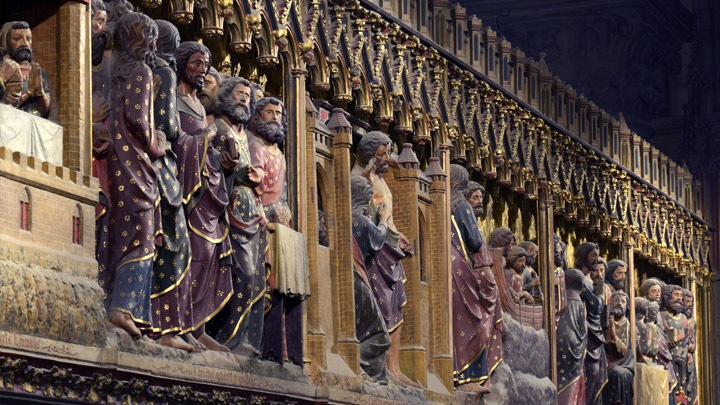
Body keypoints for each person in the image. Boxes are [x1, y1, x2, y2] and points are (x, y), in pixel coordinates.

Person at [103, 12, 161, 339]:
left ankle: (123, 306)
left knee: (123, 231)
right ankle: (122, 308)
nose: (154, 45)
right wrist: (156, 146)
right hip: (135, 160)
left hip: (117, 155)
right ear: (142, 39)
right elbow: (138, 118)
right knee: (141, 231)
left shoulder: (112, 68)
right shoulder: (142, 71)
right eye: (151, 38)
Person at [174, 41, 232, 352]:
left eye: (205, 65)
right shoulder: (172, 98)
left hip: (207, 184)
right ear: (182, 63)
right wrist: (204, 138)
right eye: (196, 63)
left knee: (208, 254)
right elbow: (174, 138)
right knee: (190, 254)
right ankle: (180, 323)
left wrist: (223, 161)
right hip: (186, 186)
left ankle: (198, 327)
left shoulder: (198, 103)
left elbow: (203, 144)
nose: (201, 70)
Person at [205, 77, 266, 356]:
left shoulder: (247, 137)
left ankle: (241, 340)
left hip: (249, 213)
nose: (244, 99)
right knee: (240, 272)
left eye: (248, 96)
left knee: (255, 277)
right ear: (226, 96)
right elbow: (210, 164)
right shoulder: (218, 128)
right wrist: (235, 171)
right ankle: (224, 337)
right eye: (239, 94)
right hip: (225, 208)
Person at [350, 131, 416, 386]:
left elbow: (386, 216)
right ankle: (382, 365)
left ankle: (395, 367)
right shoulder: (358, 179)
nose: (387, 158)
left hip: (389, 248)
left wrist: (398, 236)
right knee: (382, 304)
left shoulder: (378, 178)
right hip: (374, 252)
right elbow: (365, 216)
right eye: (382, 154)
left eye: (387, 152)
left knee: (396, 304)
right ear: (369, 156)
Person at [144, 19, 194, 352]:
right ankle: (165, 327)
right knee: (175, 245)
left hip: (146, 159)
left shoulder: (137, 70)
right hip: (161, 163)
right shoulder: (164, 71)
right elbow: (169, 125)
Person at [249, 97, 308, 365]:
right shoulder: (256, 147)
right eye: (269, 113)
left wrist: (285, 213)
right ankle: (271, 348)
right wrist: (269, 210)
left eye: (279, 114)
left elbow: (281, 192)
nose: (275, 117)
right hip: (263, 223)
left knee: (288, 285)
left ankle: (289, 351)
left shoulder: (280, 154)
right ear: (258, 117)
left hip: (282, 226)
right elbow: (254, 186)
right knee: (271, 284)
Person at [449, 166, 493, 393]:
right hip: (460, 267)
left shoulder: (441, 203)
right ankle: (467, 378)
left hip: (446, 264)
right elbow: (475, 242)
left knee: (454, 321)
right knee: (469, 320)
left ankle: (454, 373)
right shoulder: (462, 206)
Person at [350, 175, 391, 383]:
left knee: (360, 328)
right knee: (380, 334)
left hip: (350, 277)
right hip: (357, 276)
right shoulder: (361, 221)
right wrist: (383, 219)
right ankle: (355, 361)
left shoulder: (341, 218)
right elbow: (378, 238)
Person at [573, 242, 608, 405]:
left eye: (597, 255)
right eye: (593, 255)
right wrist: (600, 295)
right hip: (584, 335)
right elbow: (595, 305)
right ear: (584, 255)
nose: (596, 259)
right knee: (591, 374)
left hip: (593, 335)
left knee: (595, 376)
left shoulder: (588, 280)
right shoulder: (579, 278)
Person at [0, 21, 51, 117]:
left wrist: (40, 92)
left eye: (28, 39)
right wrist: (29, 92)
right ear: (5, 42)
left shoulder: (37, 72)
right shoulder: (2, 69)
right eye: (17, 39)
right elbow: (6, 106)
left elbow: (45, 111)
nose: (25, 44)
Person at [556, 268, 589, 405]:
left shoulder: (560, 298)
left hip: (559, 339)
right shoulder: (579, 301)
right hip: (575, 343)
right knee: (571, 381)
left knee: (560, 376)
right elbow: (583, 328)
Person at [601, 291, 634, 405]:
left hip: (623, 363)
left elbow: (622, 351)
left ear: (627, 306)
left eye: (623, 301)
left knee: (619, 373)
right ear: (611, 303)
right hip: (606, 362)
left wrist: (614, 335)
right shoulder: (606, 320)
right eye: (616, 300)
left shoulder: (627, 324)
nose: (620, 303)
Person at [660, 284, 691, 403]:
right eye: (676, 295)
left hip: (681, 356)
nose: (679, 298)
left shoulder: (683, 318)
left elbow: (686, 340)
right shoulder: (662, 316)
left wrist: (684, 352)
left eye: (681, 295)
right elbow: (660, 334)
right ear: (668, 297)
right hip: (667, 354)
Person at [682, 289, 697, 405]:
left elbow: (693, 345)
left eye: (691, 303)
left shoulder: (692, 322)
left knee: (691, 388)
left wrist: (690, 345)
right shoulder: (679, 320)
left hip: (689, 359)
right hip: (679, 358)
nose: (690, 305)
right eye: (687, 302)